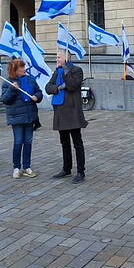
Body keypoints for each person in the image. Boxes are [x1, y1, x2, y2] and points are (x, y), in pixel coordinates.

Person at [44, 50, 87, 184]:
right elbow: (48, 87)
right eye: (56, 57)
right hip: (60, 111)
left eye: (59, 57)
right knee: (64, 142)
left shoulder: (76, 70)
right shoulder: (57, 71)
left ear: (66, 58)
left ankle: (81, 171)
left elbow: (72, 85)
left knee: (77, 143)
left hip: (72, 112)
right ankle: (66, 168)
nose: (56, 59)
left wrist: (66, 69)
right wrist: (58, 88)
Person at [2, 59, 43, 179]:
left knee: (28, 142)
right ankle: (16, 167)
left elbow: (38, 91)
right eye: (21, 68)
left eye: (24, 67)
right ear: (15, 70)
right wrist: (12, 89)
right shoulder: (8, 82)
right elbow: (5, 100)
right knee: (18, 142)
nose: (24, 69)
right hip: (17, 117)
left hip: (30, 116)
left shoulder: (30, 79)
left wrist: (37, 96)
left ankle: (27, 166)